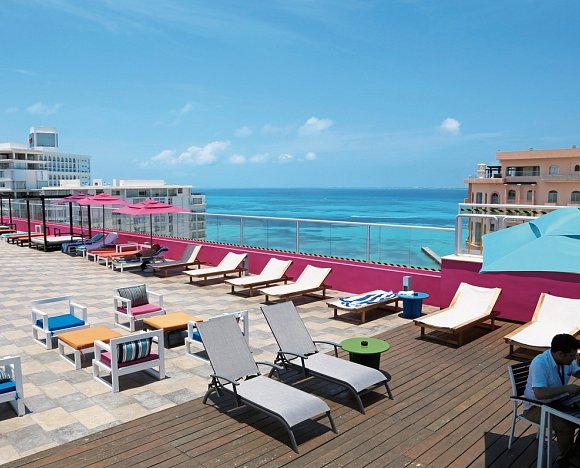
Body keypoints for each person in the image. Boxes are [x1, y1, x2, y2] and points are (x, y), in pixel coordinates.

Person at [523, 334, 580, 467]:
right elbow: (539, 393)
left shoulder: (565, 359)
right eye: (572, 356)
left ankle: (574, 458)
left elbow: (577, 372)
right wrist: (566, 388)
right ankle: (566, 459)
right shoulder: (540, 363)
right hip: (536, 406)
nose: (574, 359)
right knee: (566, 425)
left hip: (559, 400)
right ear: (560, 354)